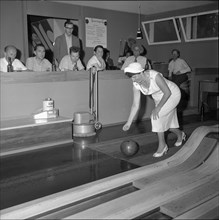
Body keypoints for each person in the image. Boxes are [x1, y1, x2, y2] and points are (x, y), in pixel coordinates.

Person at [123, 62, 186, 158]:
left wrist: (158, 108)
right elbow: (135, 105)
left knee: (156, 117)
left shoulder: (154, 76)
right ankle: (180, 134)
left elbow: (167, 92)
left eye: (134, 77)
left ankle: (163, 146)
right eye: (131, 77)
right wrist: (128, 122)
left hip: (172, 94)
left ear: (141, 73)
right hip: (159, 98)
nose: (133, 79)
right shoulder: (136, 84)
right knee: (164, 124)